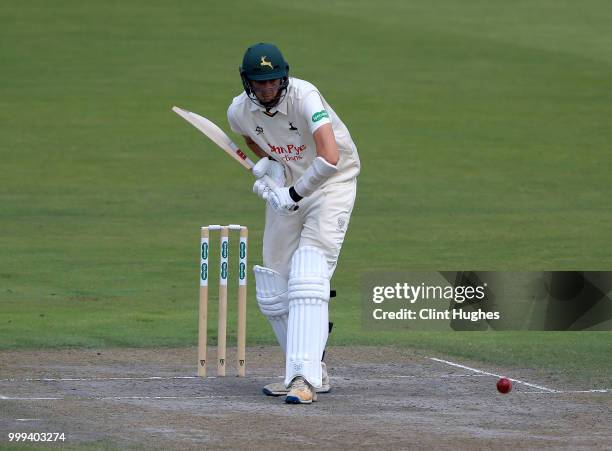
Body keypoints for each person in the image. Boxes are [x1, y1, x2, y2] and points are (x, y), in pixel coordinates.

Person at [227, 43, 360, 404]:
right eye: (260, 83)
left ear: (283, 77)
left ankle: (304, 379)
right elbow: (252, 139)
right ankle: (307, 368)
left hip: (331, 184)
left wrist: (294, 194)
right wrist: (270, 165)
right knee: (274, 285)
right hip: (291, 184)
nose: (267, 89)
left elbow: (330, 158)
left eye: (273, 82)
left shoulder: (306, 96)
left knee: (309, 273)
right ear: (247, 82)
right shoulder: (239, 111)